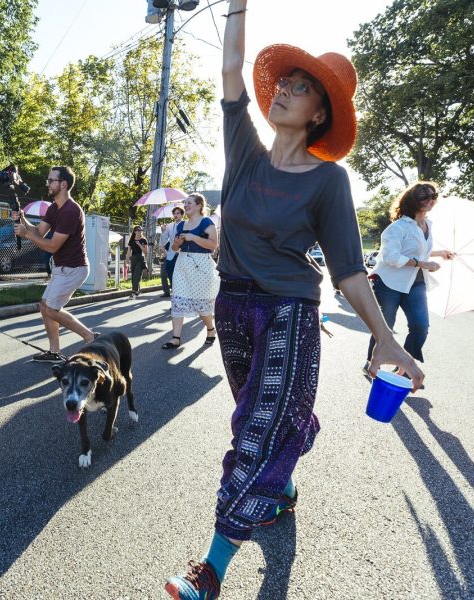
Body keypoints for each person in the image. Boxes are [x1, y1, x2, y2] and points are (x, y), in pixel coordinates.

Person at [164, 3, 424, 598]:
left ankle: (211, 570)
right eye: (285, 81)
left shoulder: (329, 181)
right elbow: (230, 67)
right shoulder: (246, 150)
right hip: (232, 309)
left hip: (288, 314)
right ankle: (282, 479)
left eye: (301, 88)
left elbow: (351, 273)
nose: (284, 90)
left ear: (319, 113)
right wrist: (238, 5)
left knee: (253, 433)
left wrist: (386, 339)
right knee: (265, 418)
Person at [363, 182, 453, 381]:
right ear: (413, 201)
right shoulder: (396, 228)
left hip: (415, 283)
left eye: (433, 196)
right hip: (389, 283)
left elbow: (420, 250)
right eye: (424, 197)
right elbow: (391, 257)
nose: (430, 200)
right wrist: (423, 264)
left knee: (420, 326)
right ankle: (371, 363)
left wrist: (439, 253)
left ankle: (404, 366)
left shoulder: (428, 225)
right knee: (385, 326)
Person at [15, 166, 96, 362]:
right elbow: (39, 233)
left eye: (51, 180)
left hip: (74, 269)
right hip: (62, 268)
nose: (47, 183)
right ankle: (54, 351)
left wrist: (25, 234)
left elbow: (51, 246)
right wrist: (24, 220)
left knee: (52, 309)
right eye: (48, 180)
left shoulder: (71, 210)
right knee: (44, 306)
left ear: (63, 184)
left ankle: (90, 337)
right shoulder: (54, 208)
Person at [160, 194, 219, 350]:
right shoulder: (180, 225)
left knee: (201, 305)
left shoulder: (207, 222)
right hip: (182, 265)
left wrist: (193, 237)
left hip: (201, 265)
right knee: (178, 301)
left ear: (199, 205)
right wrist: (177, 244)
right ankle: (176, 338)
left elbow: (213, 244)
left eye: (189, 203)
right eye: (184, 203)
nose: (185, 205)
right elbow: (174, 248)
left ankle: (211, 329)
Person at [158, 205, 185, 298]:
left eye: (178, 213)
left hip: (182, 254)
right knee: (171, 278)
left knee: (180, 278)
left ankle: (181, 299)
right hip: (170, 255)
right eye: (174, 213)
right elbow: (164, 239)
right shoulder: (169, 226)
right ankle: (175, 301)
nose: (176, 215)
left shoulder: (186, 224)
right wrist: (163, 232)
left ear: (182, 214)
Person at [127, 225, 148, 298]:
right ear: (135, 231)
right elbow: (129, 251)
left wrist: (139, 244)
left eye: (141, 230)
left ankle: (133, 292)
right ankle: (137, 291)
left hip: (140, 259)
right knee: (133, 276)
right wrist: (126, 261)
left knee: (137, 276)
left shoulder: (144, 240)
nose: (140, 231)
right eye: (138, 230)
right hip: (133, 259)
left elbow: (146, 252)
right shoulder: (131, 240)